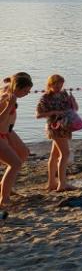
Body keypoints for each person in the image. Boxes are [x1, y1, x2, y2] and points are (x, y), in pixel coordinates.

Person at [36, 74, 79, 192]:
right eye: (56, 86)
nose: (59, 88)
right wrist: (54, 112)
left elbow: (74, 110)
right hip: (55, 127)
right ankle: (62, 184)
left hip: (65, 127)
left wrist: (73, 101)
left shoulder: (64, 94)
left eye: (60, 86)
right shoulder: (45, 98)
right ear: (50, 85)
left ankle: (51, 183)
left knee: (54, 155)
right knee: (65, 154)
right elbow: (38, 115)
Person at [0, 73, 33, 209]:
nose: (27, 93)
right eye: (25, 90)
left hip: (7, 130)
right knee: (15, 164)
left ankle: (5, 186)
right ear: (17, 88)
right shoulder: (5, 99)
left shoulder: (10, 91)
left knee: (23, 153)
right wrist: (9, 106)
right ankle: (4, 199)